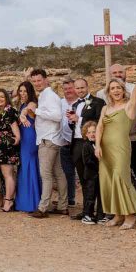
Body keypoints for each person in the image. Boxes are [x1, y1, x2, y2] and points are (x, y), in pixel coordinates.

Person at [97, 63, 136, 224]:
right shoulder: (105, 108)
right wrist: (98, 146)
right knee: (110, 179)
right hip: (106, 149)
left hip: (122, 147)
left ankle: (130, 215)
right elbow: (100, 127)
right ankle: (118, 215)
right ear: (108, 92)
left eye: (118, 88)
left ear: (123, 90)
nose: (116, 91)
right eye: (112, 88)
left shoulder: (129, 106)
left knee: (122, 178)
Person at [27, 69, 67, 218]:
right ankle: (63, 206)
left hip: (48, 140)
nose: (37, 83)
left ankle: (43, 208)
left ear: (46, 80)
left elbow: (57, 116)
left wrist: (36, 111)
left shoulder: (50, 96)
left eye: (39, 80)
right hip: (52, 139)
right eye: (34, 81)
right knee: (58, 173)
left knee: (46, 175)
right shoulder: (45, 95)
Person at [69, 79, 106, 222]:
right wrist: (71, 121)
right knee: (84, 178)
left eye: (82, 87)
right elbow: (74, 126)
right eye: (77, 88)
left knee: (96, 178)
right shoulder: (75, 104)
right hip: (77, 144)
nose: (80, 90)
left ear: (87, 87)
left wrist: (79, 119)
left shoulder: (98, 102)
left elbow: (99, 121)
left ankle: (101, 212)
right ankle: (87, 211)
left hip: (91, 144)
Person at [0, 90, 21, 212]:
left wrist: (15, 139)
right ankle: (9, 199)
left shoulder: (9, 110)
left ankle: (8, 201)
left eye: (2, 97)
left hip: (6, 147)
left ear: (6, 98)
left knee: (8, 175)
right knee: (6, 175)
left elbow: (15, 130)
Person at [14, 81, 40, 213]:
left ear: (30, 92)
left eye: (25, 91)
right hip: (24, 137)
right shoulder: (22, 103)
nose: (22, 94)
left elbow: (27, 110)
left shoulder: (32, 103)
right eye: (21, 91)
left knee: (29, 166)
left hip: (30, 138)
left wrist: (23, 115)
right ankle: (25, 201)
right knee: (24, 167)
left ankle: (32, 203)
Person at [75, 121, 103, 224]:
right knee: (90, 196)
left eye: (94, 132)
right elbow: (87, 161)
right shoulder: (86, 146)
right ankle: (87, 214)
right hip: (91, 176)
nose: (92, 134)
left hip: (99, 176)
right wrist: (98, 164)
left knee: (101, 195)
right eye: (89, 132)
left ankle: (100, 215)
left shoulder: (100, 145)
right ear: (86, 134)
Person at [58, 78, 78, 206]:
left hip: (79, 142)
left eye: (70, 88)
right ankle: (70, 198)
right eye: (65, 89)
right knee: (67, 172)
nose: (68, 91)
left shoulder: (81, 102)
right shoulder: (60, 103)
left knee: (82, 172)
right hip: (64, 142)